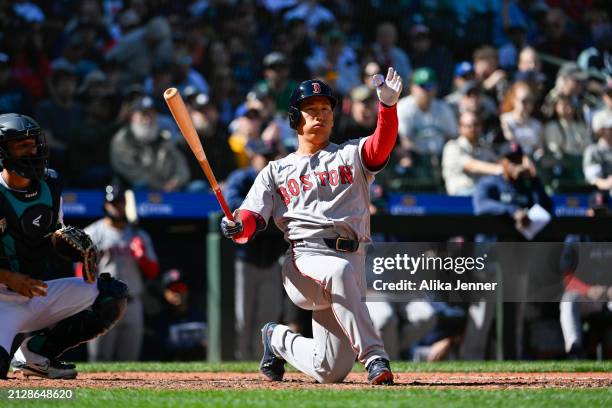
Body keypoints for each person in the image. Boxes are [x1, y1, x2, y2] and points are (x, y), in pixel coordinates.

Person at [220, 68, 403, 385]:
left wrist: (387, 108)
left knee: (330, 369)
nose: (319, 115)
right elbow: (251, 219)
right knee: (338, 273)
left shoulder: (350, 154)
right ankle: (375, 357)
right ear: (295, 118)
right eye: (310, 109)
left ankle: (275, 338)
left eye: (325, 109)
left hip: (352, 260)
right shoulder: (277, 170)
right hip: (305, 260)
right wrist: (237, 225)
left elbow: (380, 146)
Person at [0, 113, 127, 379]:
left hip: (35, 293)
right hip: (2, 301)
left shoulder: (51, 184)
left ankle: (35, 355)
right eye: (21, 145)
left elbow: (54, 234)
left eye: (33, 143)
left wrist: (78, 249)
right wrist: (9, 277)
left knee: (111, 296)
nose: (31, 150)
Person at [224, 139, 286, 360]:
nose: (269, 161)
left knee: (268, 316)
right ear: (254, 157)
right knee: (243, 317)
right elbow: (235, 209)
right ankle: (242, 362)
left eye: (272, 156)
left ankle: (262, 361)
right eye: (264, 157)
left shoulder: (281, 178)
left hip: (271, 260)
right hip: (246, 259)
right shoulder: (242, 178)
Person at [84, 184, 159, 361]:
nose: (117, 207)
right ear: (105, 205)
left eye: (120, 203)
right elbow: (82, 273)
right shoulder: (92, 233)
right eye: (113, 203)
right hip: (101, 302)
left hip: (132, 302)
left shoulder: (139, 235)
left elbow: (153, 272)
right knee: (99, 360)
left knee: (129, 360)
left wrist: (142, 258)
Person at [110, 95, 191, 191]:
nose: (148, 118)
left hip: (170, 190)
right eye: (143, 114)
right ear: (132, 116)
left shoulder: (165, 137)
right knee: (140, 185)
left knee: (198, 187)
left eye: (151, 113)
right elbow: (127, 170)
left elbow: (182, 167)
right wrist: (158, 186)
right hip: (136, 190)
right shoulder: (123, 139)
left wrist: (176, 181)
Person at [442, 112, 501, 196]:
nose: (472, 129)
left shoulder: (483, 146)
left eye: (476, 125)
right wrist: (501, 169)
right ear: (460, 128)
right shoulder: (453, 146)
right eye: (468, 126)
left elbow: (496, 161)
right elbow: (472, 165)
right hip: (461, 193)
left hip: (482, 191)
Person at [583, 110, 612, 191]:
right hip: (603, 197)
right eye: (609, 128)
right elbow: (594, 179)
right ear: (600, 131)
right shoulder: (593, 151)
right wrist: (608, 183)